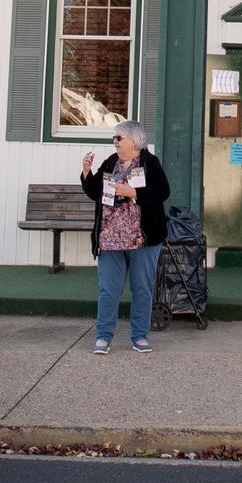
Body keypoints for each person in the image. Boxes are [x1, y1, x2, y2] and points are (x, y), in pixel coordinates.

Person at [78, 120, 169, 355]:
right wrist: (87, 172)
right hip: (110, 238)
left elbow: (163, 191)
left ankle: (139, 336)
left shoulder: (150, 163)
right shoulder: (111, 162)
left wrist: (134, 193)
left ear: (134, 140)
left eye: (119, 138)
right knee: (108, 289)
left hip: (142, 238)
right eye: (114, 138)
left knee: (142, 289)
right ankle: (103, 336)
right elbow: (95, 192)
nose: (115, 142)